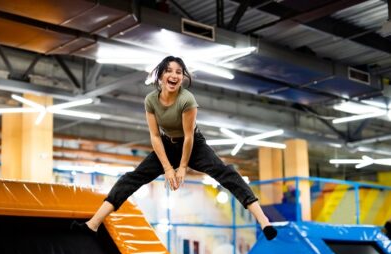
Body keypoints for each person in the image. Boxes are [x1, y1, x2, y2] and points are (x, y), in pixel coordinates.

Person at [74, 56, 277, 240]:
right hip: (166, 144)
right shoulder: (151, 100)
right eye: (169, 71)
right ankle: (93, 224)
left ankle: (264, 220)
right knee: (132, 178)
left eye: (178, 72)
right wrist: (168, 168)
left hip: (193, 145)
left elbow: (188, 137)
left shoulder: (187, 100)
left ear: (183, 78)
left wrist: (181, 168)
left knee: (226, 173)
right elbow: (154, 136)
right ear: (161, 75)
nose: (174, 75)